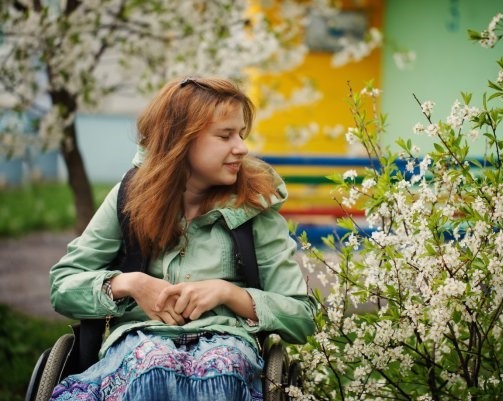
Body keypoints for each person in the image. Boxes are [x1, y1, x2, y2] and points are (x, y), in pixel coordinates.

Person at [48, 76, 317, 400]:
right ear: (181, 140)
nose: (242, 147)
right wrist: (130, 284)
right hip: (138, 343)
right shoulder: (130, 197)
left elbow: (301, 317)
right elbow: (63, 286)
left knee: (220, 373)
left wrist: (229, 294)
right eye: (225, 135)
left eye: (242, 134)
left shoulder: (255, 207)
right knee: (154, 367)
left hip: (228, 347)